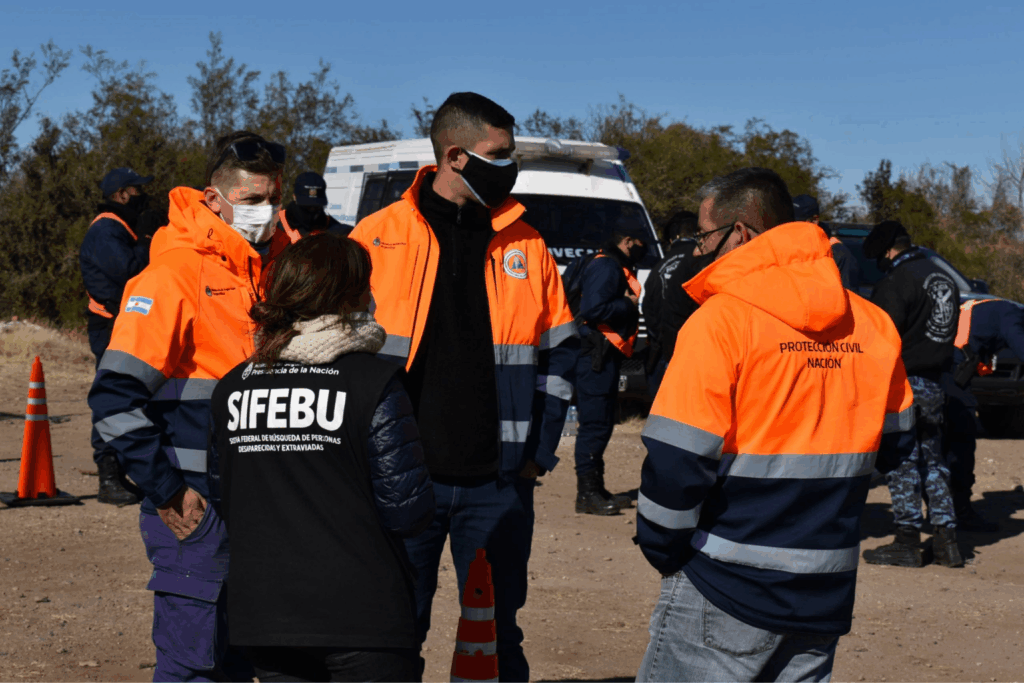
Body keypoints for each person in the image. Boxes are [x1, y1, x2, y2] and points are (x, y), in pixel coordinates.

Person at [635, 168, 916, 682]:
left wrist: (665, 551)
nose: (698, 251)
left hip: (724, 582)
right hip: (823, 589)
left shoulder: (721, 322)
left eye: (703, 237)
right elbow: (895, 446)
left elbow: (676, 465)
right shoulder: (873, 324)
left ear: (739, 233)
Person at [349, 91, 577, 683]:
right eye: (499, 154)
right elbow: (340, 359)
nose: (511, 166)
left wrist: (537, 454)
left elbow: (561, 355)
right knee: (392, 631)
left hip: (498, 484)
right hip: (401, 480)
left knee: (499, 636)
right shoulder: (374, 238)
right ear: (454, 155)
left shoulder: (526, 243)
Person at [88, 130, 291, 682]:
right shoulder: (174, 274)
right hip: (198, 512)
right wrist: (169, 493)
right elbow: (112, 398)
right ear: (213, 199)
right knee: (192, 670)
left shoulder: (276, 272)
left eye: (274, 199)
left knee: (243, 664)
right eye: (252, 201)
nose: (266, 212)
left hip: (264, 511)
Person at [209, 233, 434, 682]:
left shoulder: (233, 385)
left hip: (264, 616)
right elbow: (406, 508)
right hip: (362, 616)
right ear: (351, 295)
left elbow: (222, 495)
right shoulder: (376, 381)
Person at [861, 220, 964, 568]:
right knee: (934, 460)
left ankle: (907, 539)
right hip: (936, 382)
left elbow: (881, 339)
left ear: (889, 251)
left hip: (903, 383)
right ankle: (946, 540)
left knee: (902, 459)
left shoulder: (895, 282)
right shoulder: (943, 276)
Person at [79, 167, 160, 506]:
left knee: (135, 395)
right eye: (138, 189)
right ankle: (108, 477)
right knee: (113, 395)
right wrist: (145, 242)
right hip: (108, 325)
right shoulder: (107, 230)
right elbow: (129, 273)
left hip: (122, 323)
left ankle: (125, 472)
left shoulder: (117, 226)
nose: (143, 195)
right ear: (123, 194)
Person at [563, 221, 645, 515]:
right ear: (626, 241)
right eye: (637, 242)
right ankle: (587, 494)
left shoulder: (606, 264)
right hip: (594, 357)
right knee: (595, 425)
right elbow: (593, 310)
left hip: (600, 356)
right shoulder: (607, 267)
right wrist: (628, 304)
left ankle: (596, 487)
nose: (640, 249)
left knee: (601, 423)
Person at [943, 297, 1024, 531]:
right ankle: (959, 512)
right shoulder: (1011, 314)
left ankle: (943, 509)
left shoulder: (989, 305)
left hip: (942, 364)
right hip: (953, 370)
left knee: (942, 439)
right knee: (962, 439)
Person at [642, 210, 697, 396]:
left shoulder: (658, 267)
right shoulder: (701, 260)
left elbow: (647, 307)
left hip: (661, 351)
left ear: (672, 239)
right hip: (692, 352)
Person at [793, 193, 861, 290]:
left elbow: (848, 299)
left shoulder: (838, 254)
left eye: (797, 224)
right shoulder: (789, 249)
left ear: (815, 220)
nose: (791, 229)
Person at [276, 171, 352, 242]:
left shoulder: (336, 230)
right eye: (307, 206)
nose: (312, 210)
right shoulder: (277, 224)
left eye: (316, 207)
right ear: (294, 197)